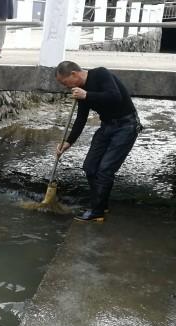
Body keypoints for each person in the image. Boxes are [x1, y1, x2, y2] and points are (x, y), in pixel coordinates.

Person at [55, 61, 142, 222]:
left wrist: (87, 95)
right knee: (89, 166)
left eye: (64, 82)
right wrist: (68, 143)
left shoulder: (100, 74)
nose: (64, 87)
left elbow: (115, 96)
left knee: (105, 170)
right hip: (107, 126)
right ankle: (101, 203)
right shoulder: (80, 92)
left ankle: (97, 212)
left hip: (126, 125)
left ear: (74, 74)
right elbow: (81, 119)